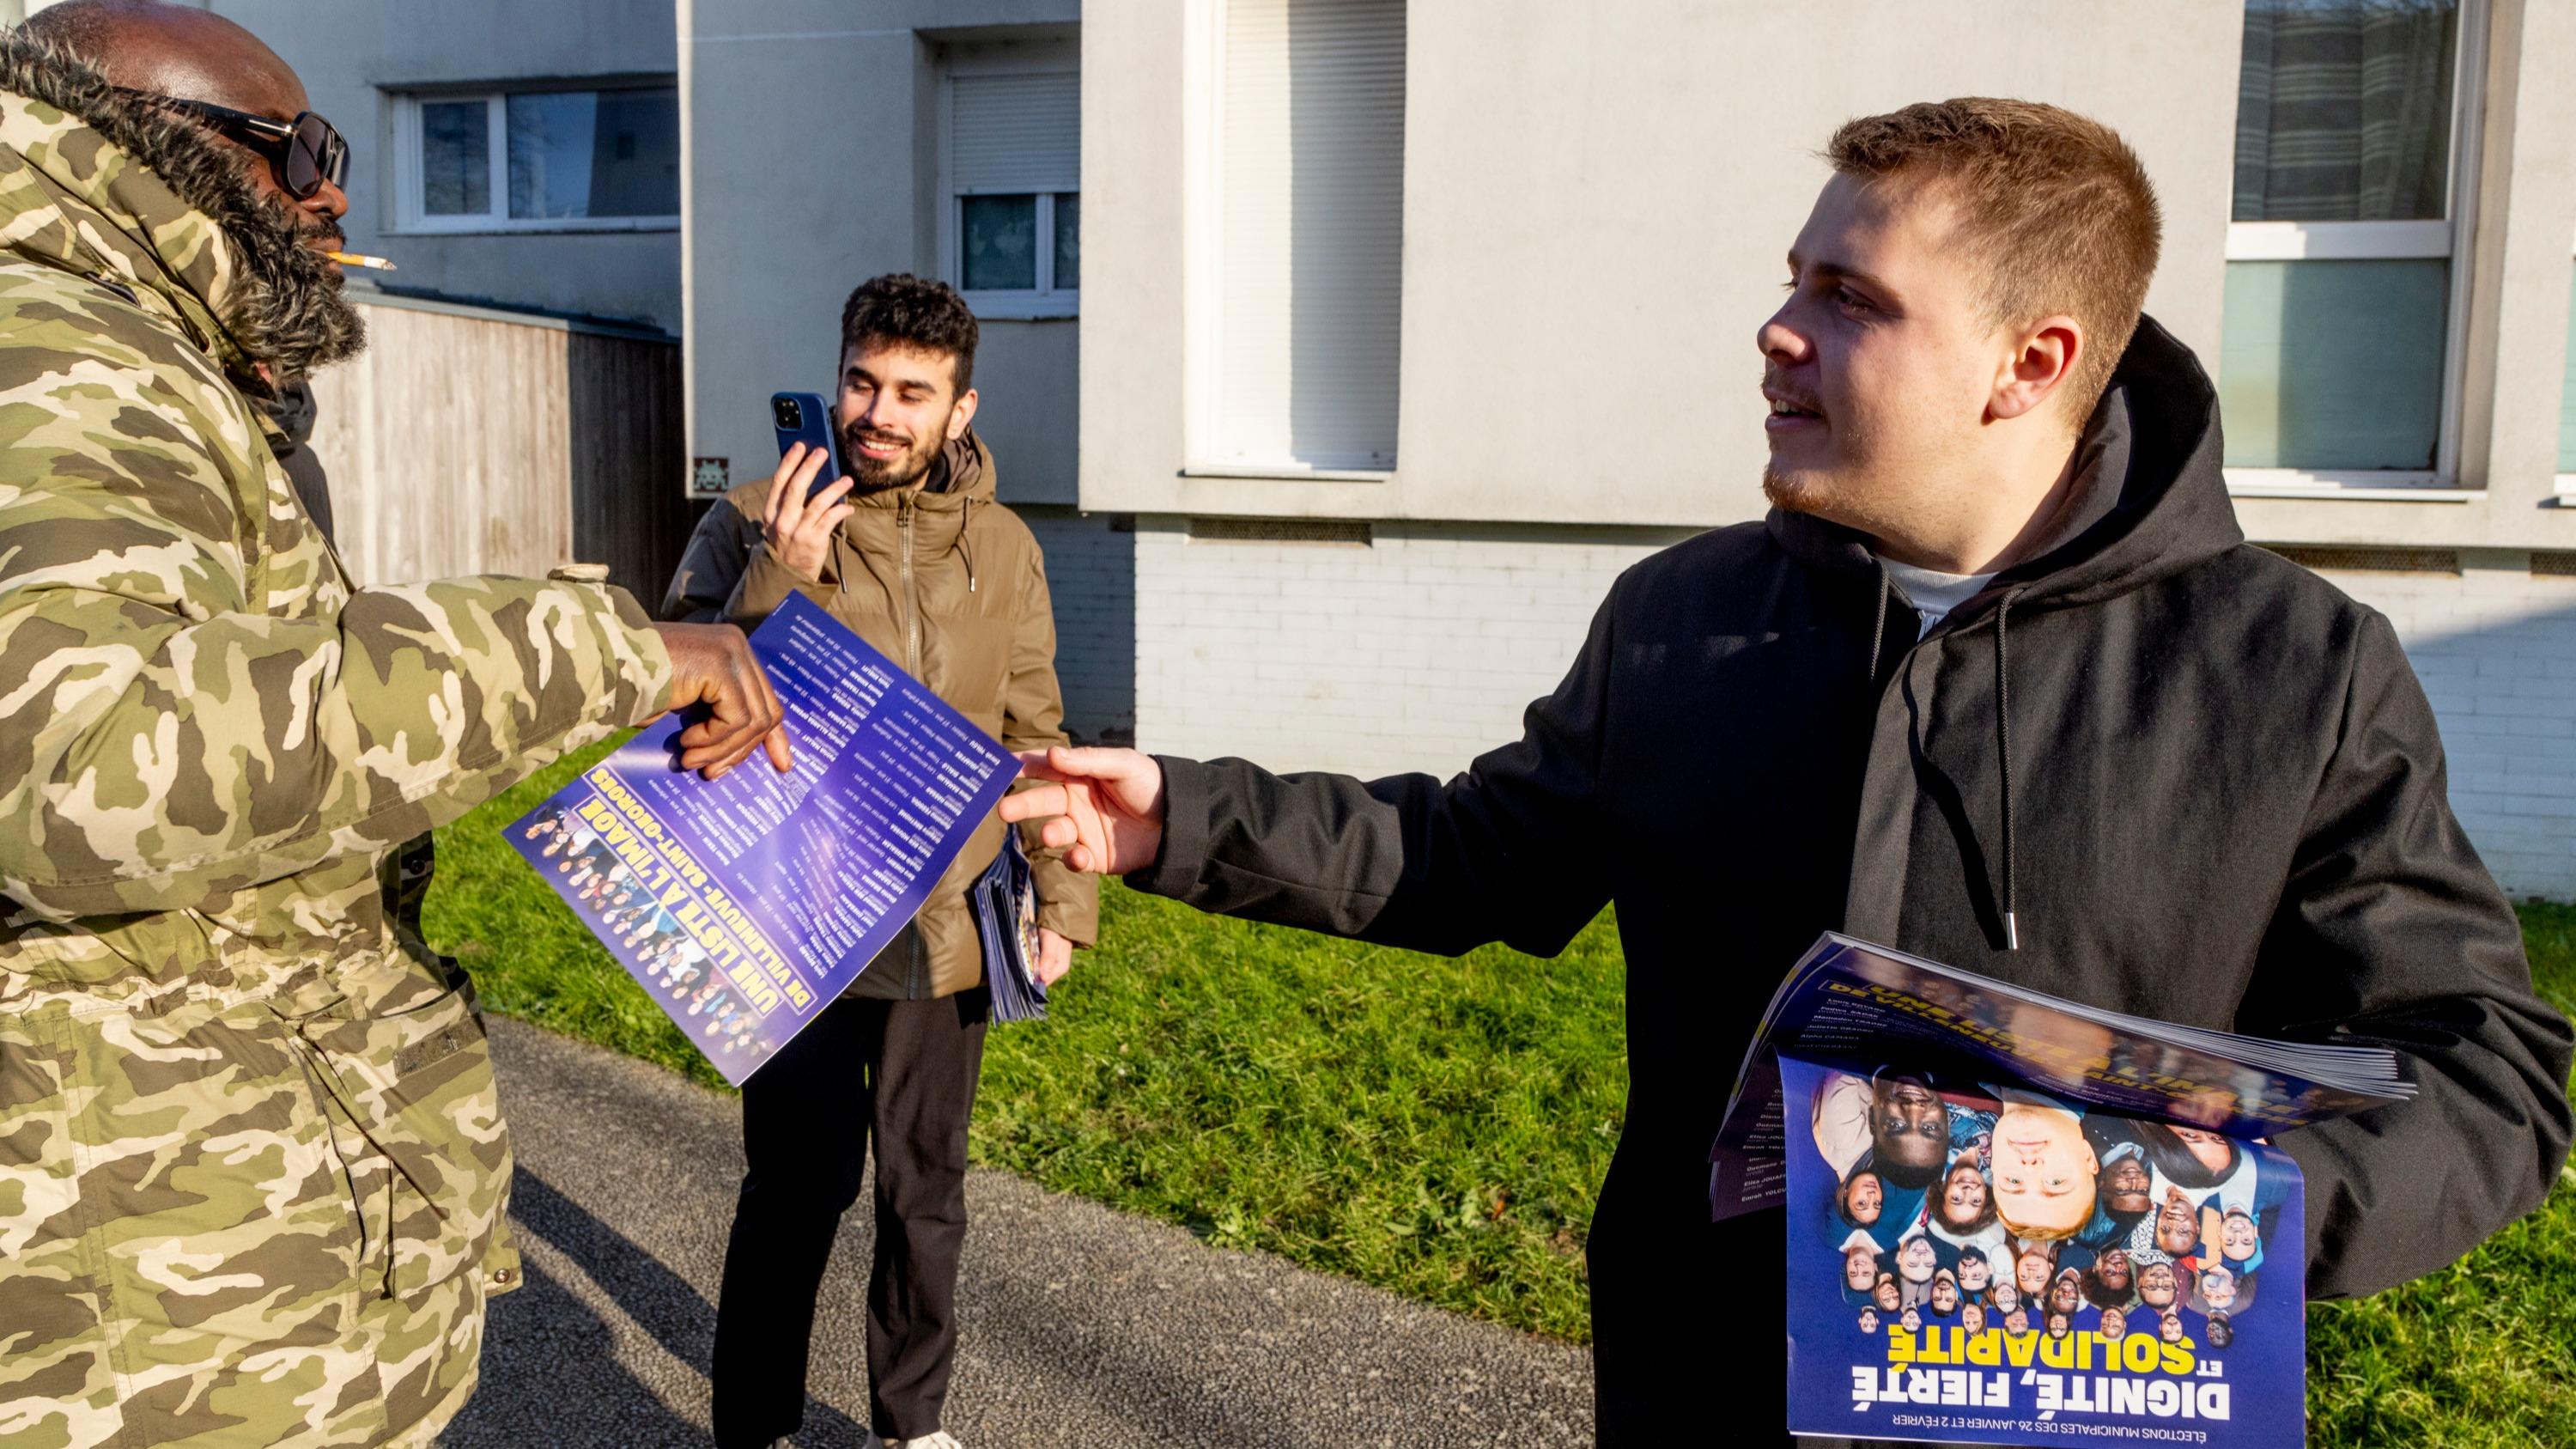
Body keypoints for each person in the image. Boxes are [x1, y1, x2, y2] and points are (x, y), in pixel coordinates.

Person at [999, 95, 2576, 1443]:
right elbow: (1485, 853)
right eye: (1793, 281)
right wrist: (1177, 819)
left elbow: (2484, 1061)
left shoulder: (2294, 670)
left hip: (2091, 1399)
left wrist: (2214, 1218)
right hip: (1710, 1390)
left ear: (2030, 360)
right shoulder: (1687, 622)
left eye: (1852, 297)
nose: (1778, 329)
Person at [0, 5, 790, 1446]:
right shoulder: (54, 346)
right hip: (161, 1340)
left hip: (209, 1290)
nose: (334, 191)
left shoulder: (132, 349)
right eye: (296, 147)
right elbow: (89, 761)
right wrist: (599, 643)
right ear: (131, 127)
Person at [662, 272, 1097, 1449]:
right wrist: (779, 572)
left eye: (914, 391)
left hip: (944, 919)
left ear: (960, 411)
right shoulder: (754, 517)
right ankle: (756, 1430)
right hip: (792, 923)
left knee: (925, 1196)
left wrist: (1065, 899)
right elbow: (677, 711)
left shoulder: (1004, 547)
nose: (878, 411)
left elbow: (1033, 719)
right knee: (796, 1193)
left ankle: (911, 1427)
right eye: (863, 380)